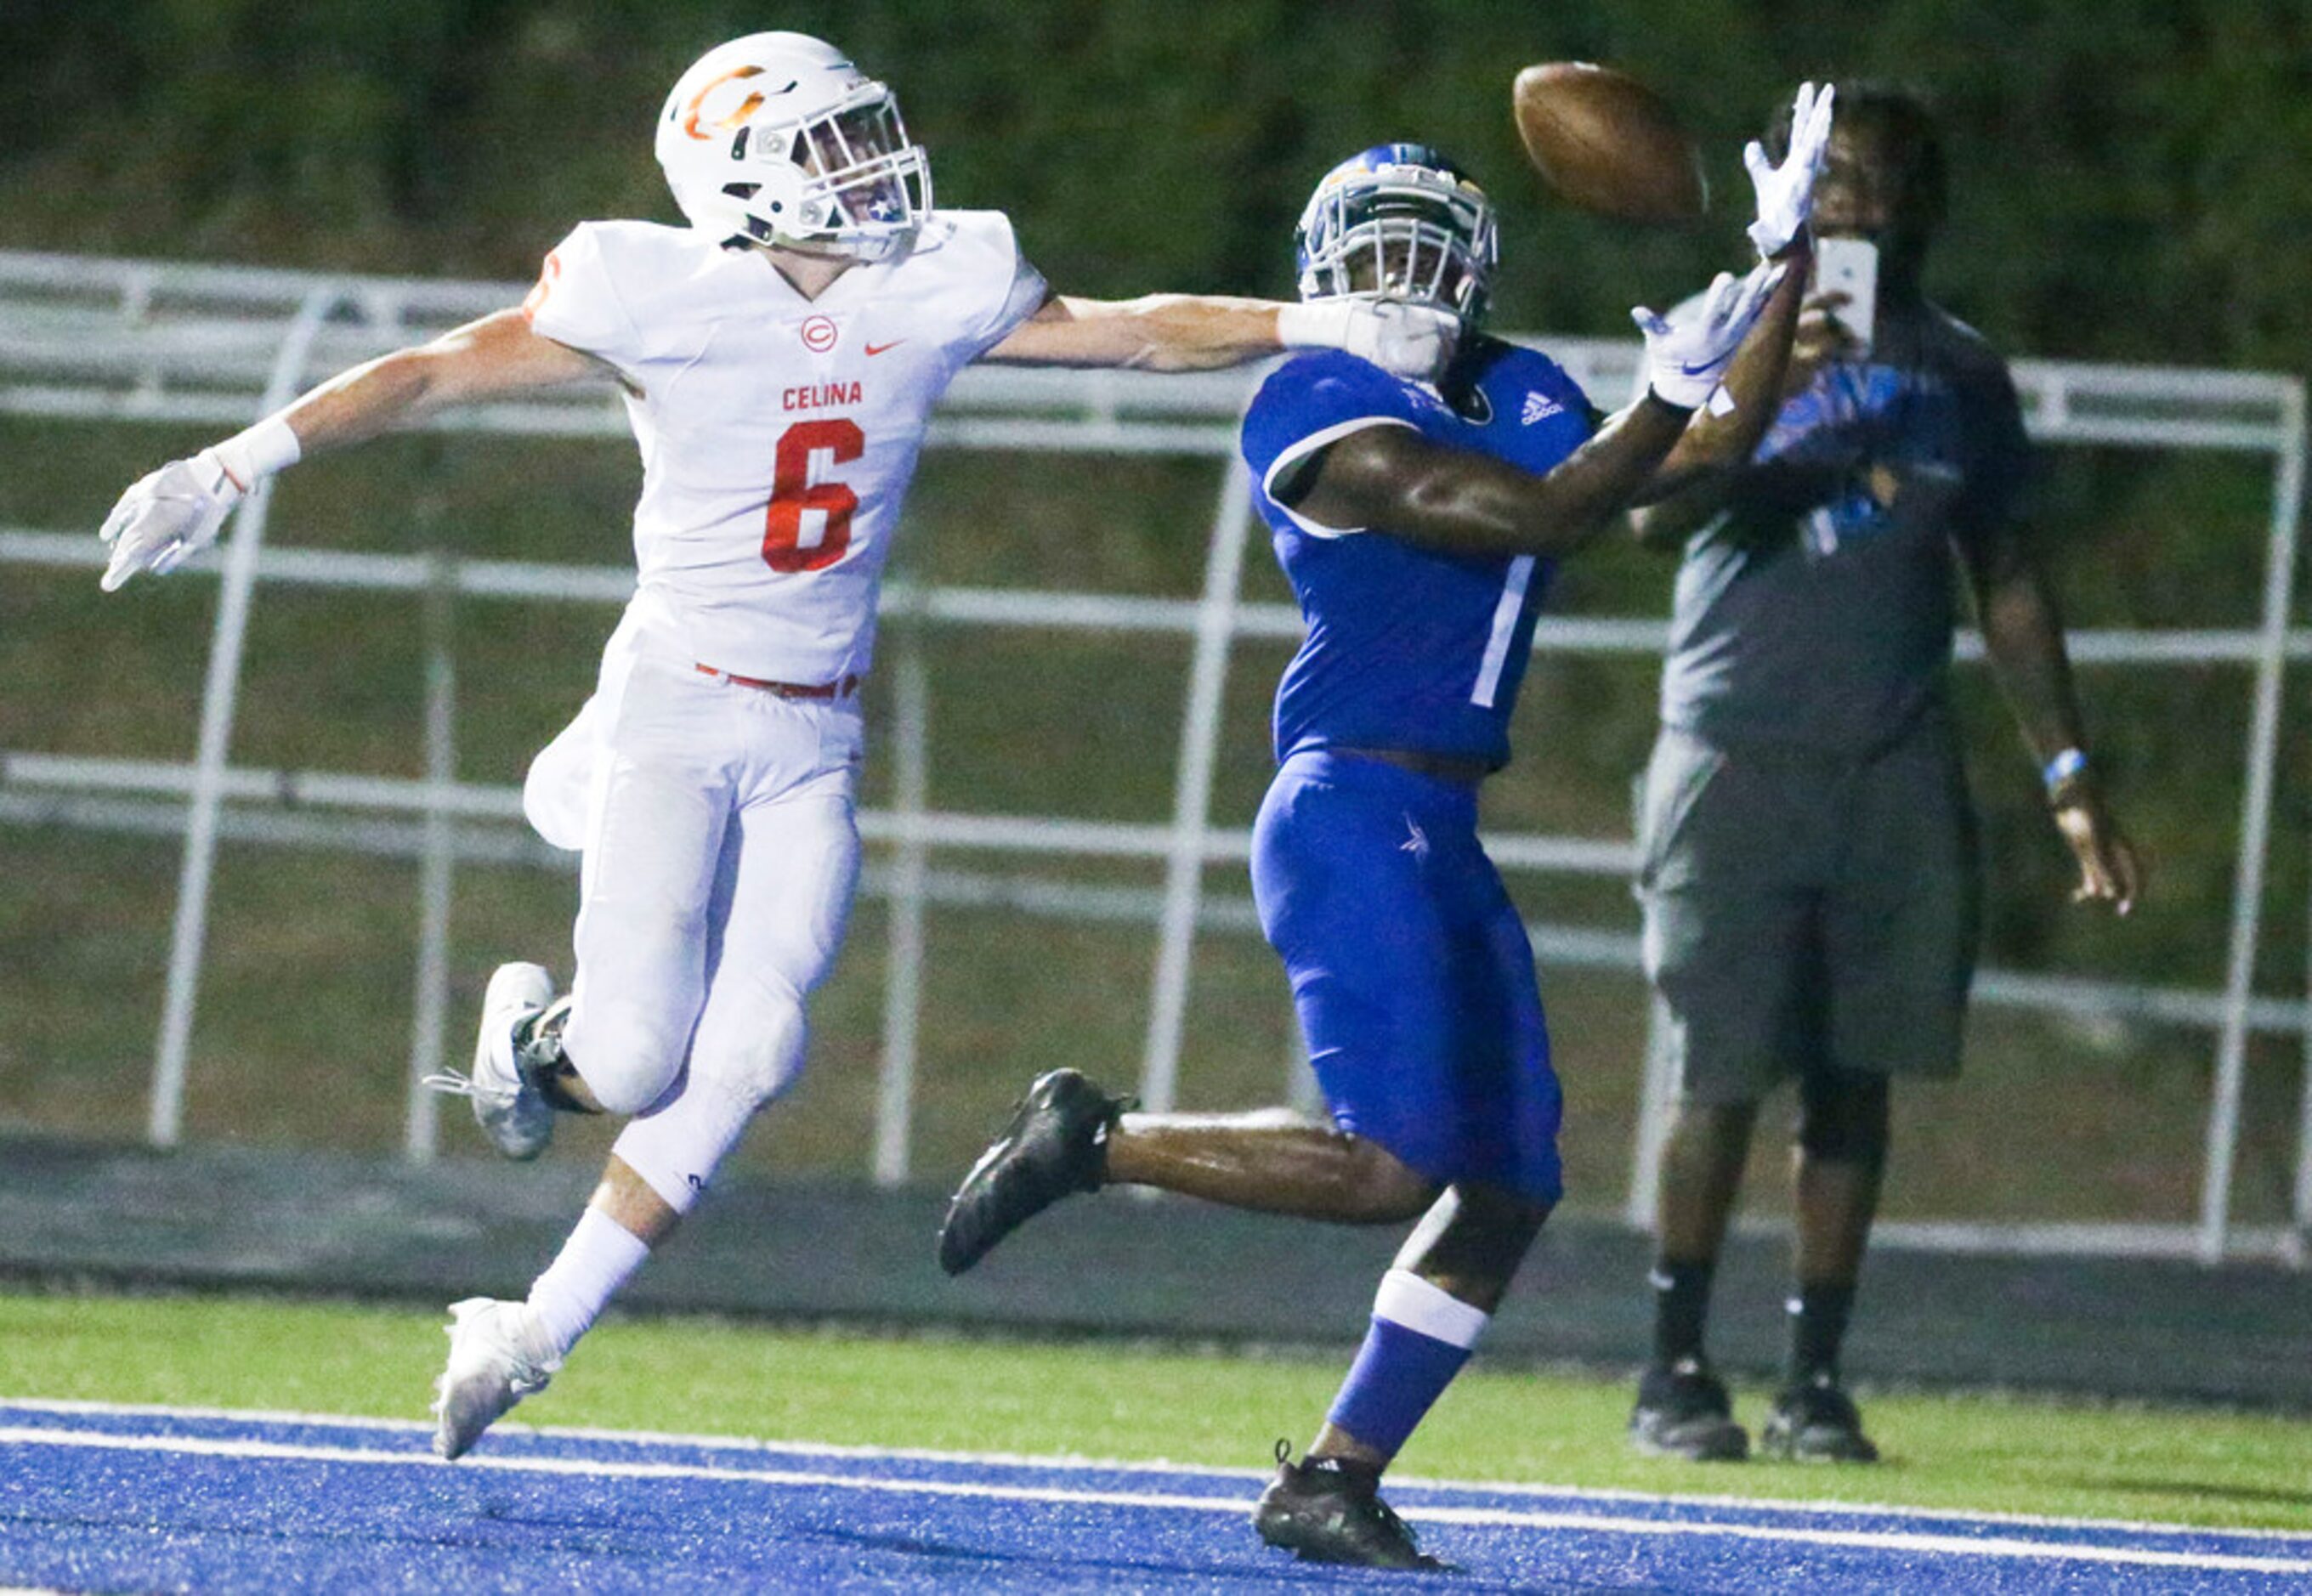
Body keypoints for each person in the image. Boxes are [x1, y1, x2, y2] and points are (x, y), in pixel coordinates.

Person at [93, 31, 1466, 1463]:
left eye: (868, 132)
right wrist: (233, 462)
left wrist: (1315, 327)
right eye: (830, 145)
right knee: (631, 1059)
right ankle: (527, 1033)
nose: (872, 166)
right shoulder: (656, 288)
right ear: (740, 172)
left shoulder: (934, 278)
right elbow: (439, 372)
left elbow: (1128, 325)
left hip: (816, 729)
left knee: (752, 1048)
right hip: (678, 704)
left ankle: (531, 1331)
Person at [937, 88, 1835, 1571]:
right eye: (1374, 254)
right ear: (1319, 270)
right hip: (1352, 801)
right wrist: (1670, 391)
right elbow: (1521, 517)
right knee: (1389, 1168)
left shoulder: (1528, 380)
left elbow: (1706, 449)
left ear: (1473, 272)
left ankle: (1335, 1475)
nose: (1399, 283)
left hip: (1437, 818)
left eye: (1428, 256)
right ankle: (1094, 1138)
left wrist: (1786, 256)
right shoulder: (1311, 406)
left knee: (1515, 1178)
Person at [1624, 82, 2145, 1467]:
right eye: (1837, 177)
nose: (1859, 203)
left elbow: (2010, 579)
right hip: (1734, 742)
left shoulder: (1959, 372)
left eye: (1886, 183)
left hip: (1892, 753)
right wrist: (1760, 390)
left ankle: (1814, 1376)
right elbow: (1643, 516)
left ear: (1926, 208)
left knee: (1858, 1076)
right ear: (1797, 187)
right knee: (1719, 1069)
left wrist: (2071, 771)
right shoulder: (1731, 325)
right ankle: (1672, 1366)